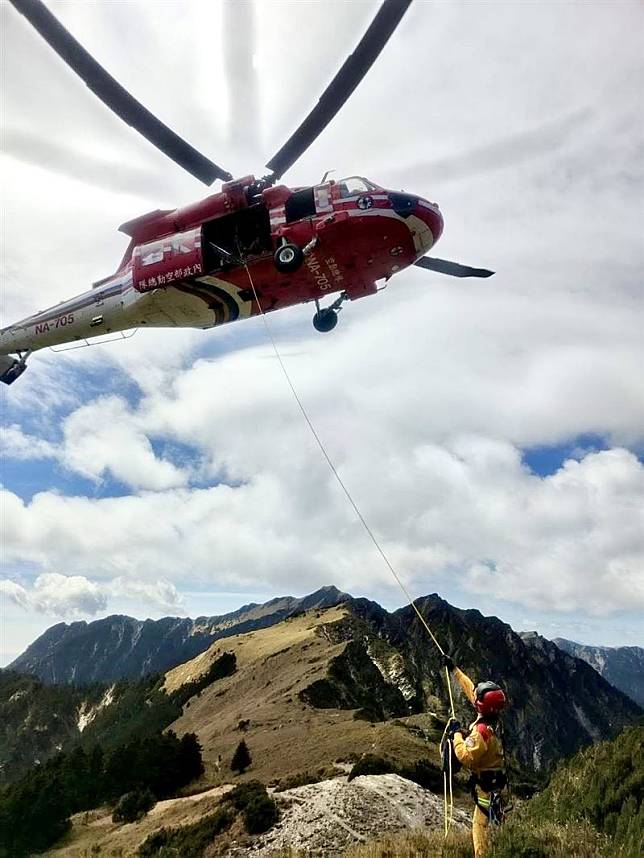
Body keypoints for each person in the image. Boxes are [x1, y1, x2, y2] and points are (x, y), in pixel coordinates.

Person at [442, 655, 509, 858]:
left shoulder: (480, 733)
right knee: (496, 830)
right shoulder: (493, 721)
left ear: (481, 706)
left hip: (486, 791)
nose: (474, 697)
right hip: (497, 786)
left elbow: (464, 756)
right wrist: (454, 669)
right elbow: (470, 689)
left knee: (480, 833)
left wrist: (455, 734)